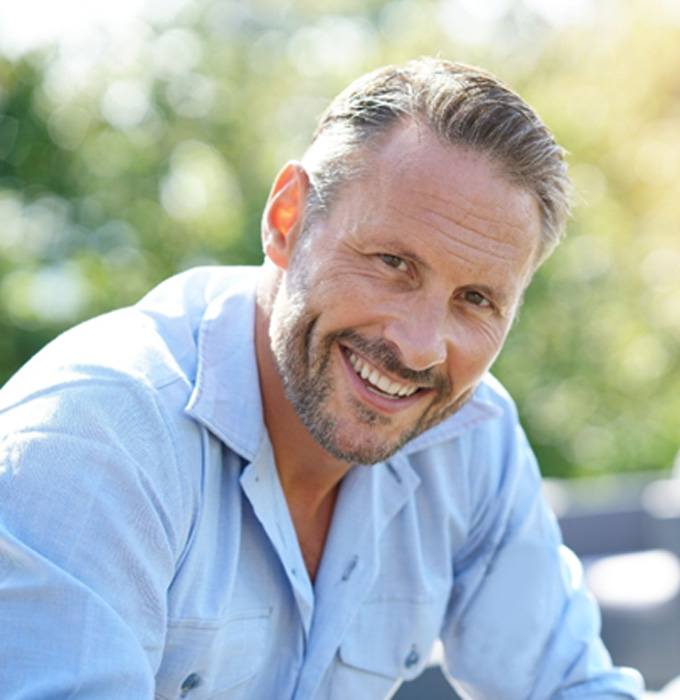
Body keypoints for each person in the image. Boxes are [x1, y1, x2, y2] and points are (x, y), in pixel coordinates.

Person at [0, 58, 643, 699]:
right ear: (288, 220)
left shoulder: (471, 440)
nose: (419, 348)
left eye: (475, 299)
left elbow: (571, 686)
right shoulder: (93, 440)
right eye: (393, 263)